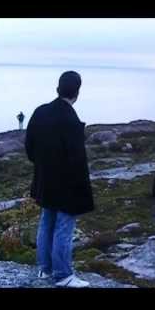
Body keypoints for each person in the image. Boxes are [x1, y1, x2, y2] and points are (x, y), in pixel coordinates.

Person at [25, 71, 94, 288]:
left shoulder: (40, 112)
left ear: (58, 88)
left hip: (45, 181)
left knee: (46, 224)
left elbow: (29, 148)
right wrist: (82, 193)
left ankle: (45, 270)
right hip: (66, 186)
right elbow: (77, 161)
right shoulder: (71, 120)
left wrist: (44, 167)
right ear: (77, 92)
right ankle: (63, 275)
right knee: (63, 228)